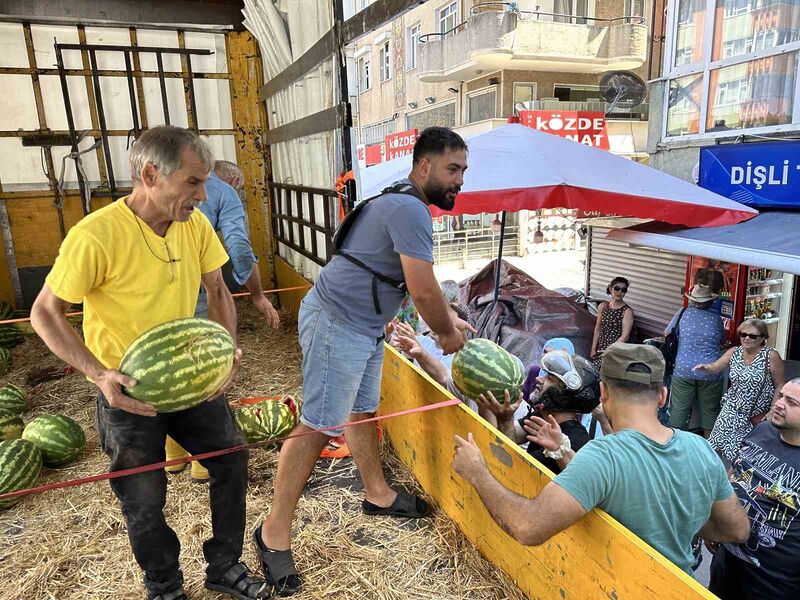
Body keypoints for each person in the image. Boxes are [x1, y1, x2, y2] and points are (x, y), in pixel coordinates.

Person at [30, 126, 269, 600]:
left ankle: (224, 564)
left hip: (189, 382)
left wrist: (222, 353)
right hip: (128, 391)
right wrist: (99, 374)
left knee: (231, 459)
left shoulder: (194, 226)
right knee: (143, 499)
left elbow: (217, 291)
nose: (202, 195)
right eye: (193, 182)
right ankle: (164, 583)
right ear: (150, 174)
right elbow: (44, 313)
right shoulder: (95, 235)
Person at [254, 127, 474, 596]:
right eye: (452, 169)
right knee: (318, 425)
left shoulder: (400, 201)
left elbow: (416, 283)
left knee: (362, 410)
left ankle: (376, 494)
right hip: (338, 322)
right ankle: (273, 531)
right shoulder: (411, 208)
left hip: (365, 326)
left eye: (463, 171)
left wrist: (449, 315)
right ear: (424, 166)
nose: (459, 180)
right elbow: (420, 288)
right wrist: (449, 333)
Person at [452, 343, 750, 574]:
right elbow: (737, 529)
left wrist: (477, 472)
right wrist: (677, 521)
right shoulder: (701, 448)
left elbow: (528, 528)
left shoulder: (602, 457)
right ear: (662, 396)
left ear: (604, 393)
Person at [166, 159, 279, 483]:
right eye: (240, 188)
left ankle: (173, 457)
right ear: (231, 180)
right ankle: (203, 461)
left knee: (171, 369)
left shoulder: (161, 195)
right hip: (198, 288)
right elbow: (239, 246)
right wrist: (255, 292)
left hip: (161, 293)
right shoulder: (222, 191)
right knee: (203, 371)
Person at [708, 378, 800, 599]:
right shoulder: (762, 431)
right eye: (780, 396)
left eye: (792, 402)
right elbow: (736, 473)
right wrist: (718, 519)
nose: (778, 404)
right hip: (725, 567)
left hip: (773, 585)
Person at [476, 351, 599, 474]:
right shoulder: (542, 416)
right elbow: (509, 437)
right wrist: (485, 403)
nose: (538, 379)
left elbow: (510, 468)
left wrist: (505, 419)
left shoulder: (573, 442)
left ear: (563, 395)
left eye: (549, 378)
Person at [700, 319, 786, 463]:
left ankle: (734, 479)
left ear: (763, 338)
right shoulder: (734, 352)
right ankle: (711, 477)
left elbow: (780, 384)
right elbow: (716, 367)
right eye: (743, 334)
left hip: (754, 414)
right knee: (714, 446)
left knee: (743, 453)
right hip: (732, 408)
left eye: (752, 336)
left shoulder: (770, 356)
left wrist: (772, 410)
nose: (746, 338)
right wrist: (706, 368)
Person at [666, 284, 725, 437]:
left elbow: (667, 333)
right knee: (710, 410)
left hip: (683, 369)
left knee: (679, 409)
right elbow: (722, 340)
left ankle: (676, 444)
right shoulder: (716, 319)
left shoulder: (682, 313)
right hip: (710, 371)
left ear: (691, 300)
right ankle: (708, 447)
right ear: (710, 302)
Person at [590, 276, 634, 369]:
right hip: (600, 350)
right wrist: (593, 348)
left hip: (616, 352)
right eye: (617, 288)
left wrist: (609, 350)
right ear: (610, 289)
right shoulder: (602, 306)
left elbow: (625, 337)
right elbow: (598, 328)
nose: (620, 292)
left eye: (623, 290)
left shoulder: (627, 311)